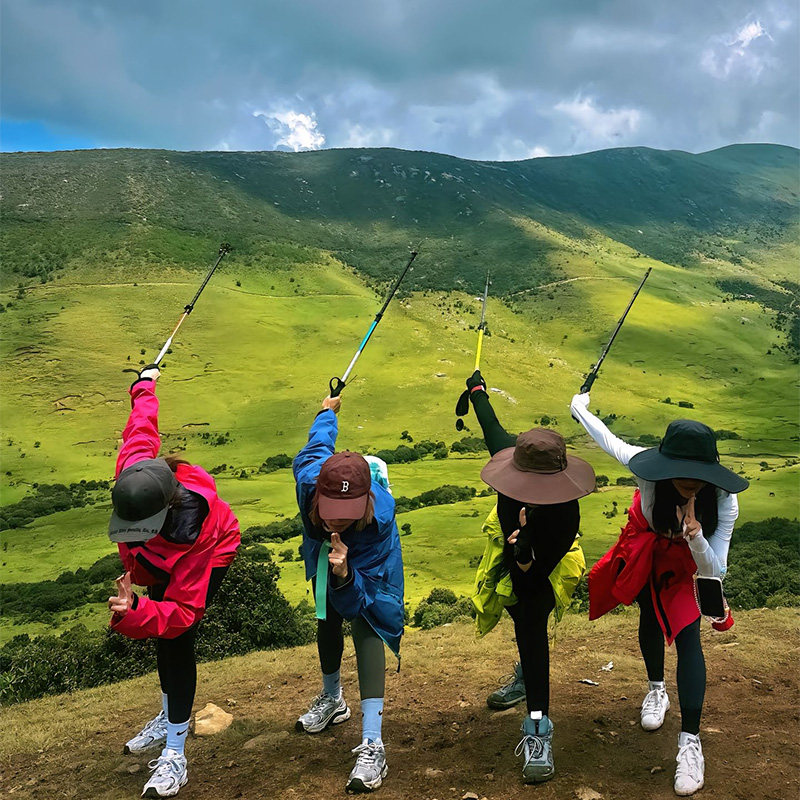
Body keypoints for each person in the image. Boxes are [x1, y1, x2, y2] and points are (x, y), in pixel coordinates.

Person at [570, 392, 749, 797]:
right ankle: (656, 691)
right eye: (679, 470)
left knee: (688, 634)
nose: (687, 479)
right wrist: (579, 406)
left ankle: (690, 742)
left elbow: (714, 572)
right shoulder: (647, 474)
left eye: (695, 472)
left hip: (691, 560)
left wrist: (697, 537)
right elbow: (606, 438)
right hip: (649, 547)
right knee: (650, 616)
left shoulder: (724, 501)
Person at [107, 365, 240, 799]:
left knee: (176, 639)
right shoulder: (139, 475)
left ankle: (175, 754)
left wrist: (138, 611)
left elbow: (181, 615)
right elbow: (141, 428)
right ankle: (169, 715)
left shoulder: (196, 532)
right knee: (163, 631)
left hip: (212, 553)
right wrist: (144, 384)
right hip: (161, 563)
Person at [465, 370, 595, 784]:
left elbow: (533, 580)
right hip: (514, 546)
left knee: (531, 625)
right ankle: (524, 677)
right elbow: (491, 426)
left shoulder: (564, 513)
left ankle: (538, 728)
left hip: (543, 568)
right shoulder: (513, 458)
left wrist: (523, 556)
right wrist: (477, 392)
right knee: (516, 613)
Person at [293, 394, 404, 794]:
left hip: (366, 561)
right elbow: (318, 444)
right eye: (330, 508)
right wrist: (326, 411)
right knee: (326, 615)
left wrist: (344, 574)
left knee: (367, 624)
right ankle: (332, 699)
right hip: (324, 551)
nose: (337, 517)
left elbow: (360, 601)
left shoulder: (377, 524)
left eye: (349, 508)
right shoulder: (309, 477)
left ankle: (373, 742)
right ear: (317, 495)